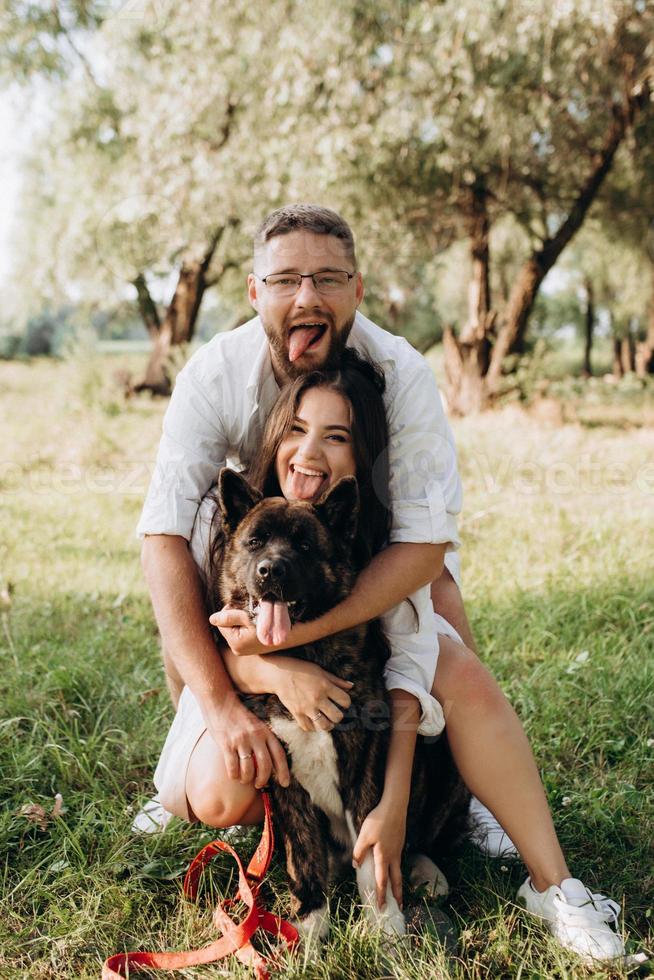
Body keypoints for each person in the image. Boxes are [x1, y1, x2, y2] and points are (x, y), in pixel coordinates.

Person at [138, 205, 625, 962]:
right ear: (253, 289)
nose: (308, 296)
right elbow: (164, 539)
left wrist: (304, 647)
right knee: (215, 788)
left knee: (448, 660)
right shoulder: (215, 377)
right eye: (287, 279)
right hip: (253, 605)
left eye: (327, 278)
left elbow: (426, 550)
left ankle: (551, 880)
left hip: (374, 574)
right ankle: (245, 779)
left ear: (357, 287)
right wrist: (236, 691)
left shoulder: (397, 374)